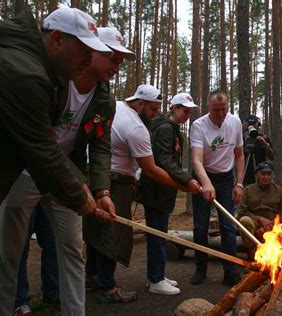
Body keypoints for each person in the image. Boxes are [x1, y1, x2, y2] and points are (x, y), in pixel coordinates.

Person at [0, 6, 113, 313]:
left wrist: (96, 189)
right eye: (84, 51)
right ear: (57, 39)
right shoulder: (26, 73)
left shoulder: (40, 70)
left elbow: (90, 147)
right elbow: (41, 148)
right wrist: (77, 194)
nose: (87, 61)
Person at [0, 22, 127, 316]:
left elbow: (100, 147)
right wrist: (78, 186)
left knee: (73, 251)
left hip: (68, 178)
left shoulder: (105, 100)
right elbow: (36, 142)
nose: (117, 66)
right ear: (93, 52)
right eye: (113, 58)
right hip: (25, 171)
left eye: (120, 61)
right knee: (8, 253)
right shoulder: (51, 79)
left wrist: (101, 189)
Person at [84, 85, 201, 303]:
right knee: (112, 232)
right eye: (153, 109)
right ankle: (107, 288)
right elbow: (152, 167)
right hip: (115, 181)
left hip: (101, 176)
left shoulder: (119, 107)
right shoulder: (137, 127)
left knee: (98, 229)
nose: (156, 114)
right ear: (140, 103)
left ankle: (92, 276)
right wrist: (184, 184)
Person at [139, 93, 200, 295]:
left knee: (160, 232)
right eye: (184, 110)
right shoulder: (165, 129)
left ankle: (155, 275)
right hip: (156, 189)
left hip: (164, 190)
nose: (187, 115)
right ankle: (156, 279)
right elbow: (164, 159)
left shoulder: (172, 129)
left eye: (190, 112)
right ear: (174, 108)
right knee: (157, 234)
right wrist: (186, 179)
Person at [190, 90, 245, 286]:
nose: (220, 114)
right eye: (216, 110)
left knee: (228, 226)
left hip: (226, 179)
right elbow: (196, 160)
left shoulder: (235, 122)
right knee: (200, 227)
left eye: (224, 109)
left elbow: (239, 155)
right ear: (208, 108)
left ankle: (230, 271)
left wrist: (239, 184)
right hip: (203, 176)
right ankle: (200, 269)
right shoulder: (199, 126)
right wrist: (206, 183)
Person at [14, 203, 60, 315]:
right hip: (22, 191)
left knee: (54, 242)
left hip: (49, 191)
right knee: (19, 247)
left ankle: (53, 295)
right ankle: (19, 303)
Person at [237, 162, 282, 259]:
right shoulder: (248, 190)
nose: (266, 177)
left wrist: (271, 226)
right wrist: (259, 219)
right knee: (244, 220)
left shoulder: (280, 191)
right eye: (263, 174)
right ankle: (252, 255)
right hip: (255, 222)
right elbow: (242, 213)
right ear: (257, 175)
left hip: (274, 224)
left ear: (273, 175)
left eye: (269, 174)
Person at [242, 115, 275, 186]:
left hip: (261, 176)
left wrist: (265, 144)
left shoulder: (263, 138)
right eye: (250, 125)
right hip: (245, 177)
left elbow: (272, 157)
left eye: (254, 124)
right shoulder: (241, 138)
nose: (252, 127)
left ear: (258, 125)